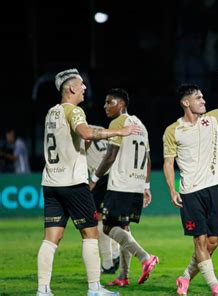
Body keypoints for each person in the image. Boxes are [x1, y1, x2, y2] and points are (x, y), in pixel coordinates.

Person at [39, 68, 140, 296]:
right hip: (73, 183)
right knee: (91, 234)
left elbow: (76, 142)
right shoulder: (75, 112)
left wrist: (83, 144)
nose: (85, 87)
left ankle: (42, 290)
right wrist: (120, 132)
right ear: (71, 88)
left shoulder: (51, 113)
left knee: (51, 238)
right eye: (81, 84)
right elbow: (85, 134)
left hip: (51, 183)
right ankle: (95, 288)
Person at [163, 67, 218, 296]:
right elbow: (168, 163)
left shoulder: (211, 119)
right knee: (199, 241)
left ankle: (184, 277)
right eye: (198, 98)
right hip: (190, 192)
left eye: (202, 96)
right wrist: (172, 189)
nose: (203, 100)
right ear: (186, 103)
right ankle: (215, 287)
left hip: (213, 188)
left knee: (212, 242)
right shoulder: (173, 131)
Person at [89, 88, 158, 287]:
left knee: (109, 227)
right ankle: (124, 276)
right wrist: (146, 186)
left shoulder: (118, 123)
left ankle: (145, 258)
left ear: (121, 104)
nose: (105, 106)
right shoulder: (141, 125)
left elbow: (110, 155)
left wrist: (94, 178)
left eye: (109, 102)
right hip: (136, 184)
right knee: (124, 229)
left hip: (120, 185)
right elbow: (148, 158)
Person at [86, 126, 121, 274]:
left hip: (101, 175)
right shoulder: (101, 129)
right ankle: (115, 253)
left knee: (99, 219)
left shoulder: (81, 132)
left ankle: (108, 263)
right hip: (117, 174)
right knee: (112, 218)